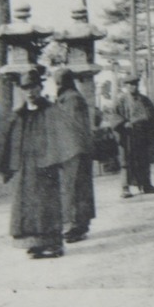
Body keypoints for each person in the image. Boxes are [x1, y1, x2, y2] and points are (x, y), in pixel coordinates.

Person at [0, 68, 67, 259]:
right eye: (25, 88)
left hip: (46, 166)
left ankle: (53, 244)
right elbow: (5, 140)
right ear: (21, 90)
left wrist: (57, 160)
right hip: (24, 168)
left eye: (34, 87)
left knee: (48, 204)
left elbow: (63, 136)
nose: (30, 92)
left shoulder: (51, 111)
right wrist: (4, 166)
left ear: (40, 87)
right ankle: (34, 244)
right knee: (26, 205)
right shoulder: (17, 114)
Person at [51, 68, 95, 242]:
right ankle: (79, 225)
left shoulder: (71, 100)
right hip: (75, 149)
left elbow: (71, 127)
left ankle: (75, 226)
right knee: (77, 189)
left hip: (73, 150)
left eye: (59, 81)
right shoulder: (69, 98)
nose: (57, 85)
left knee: (73, 189)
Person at [115, 74, 154, 197]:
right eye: (129, 84)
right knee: (126, 161)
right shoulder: (121, 100)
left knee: (144, 160)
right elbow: (114, 116)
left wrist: (151, 128)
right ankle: (125, 188)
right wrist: (124, 124)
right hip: (128, 135)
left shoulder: (144, 100)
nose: (133, 87)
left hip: (142, 134)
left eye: (135, 84)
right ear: (125, 86)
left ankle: (146, 185)